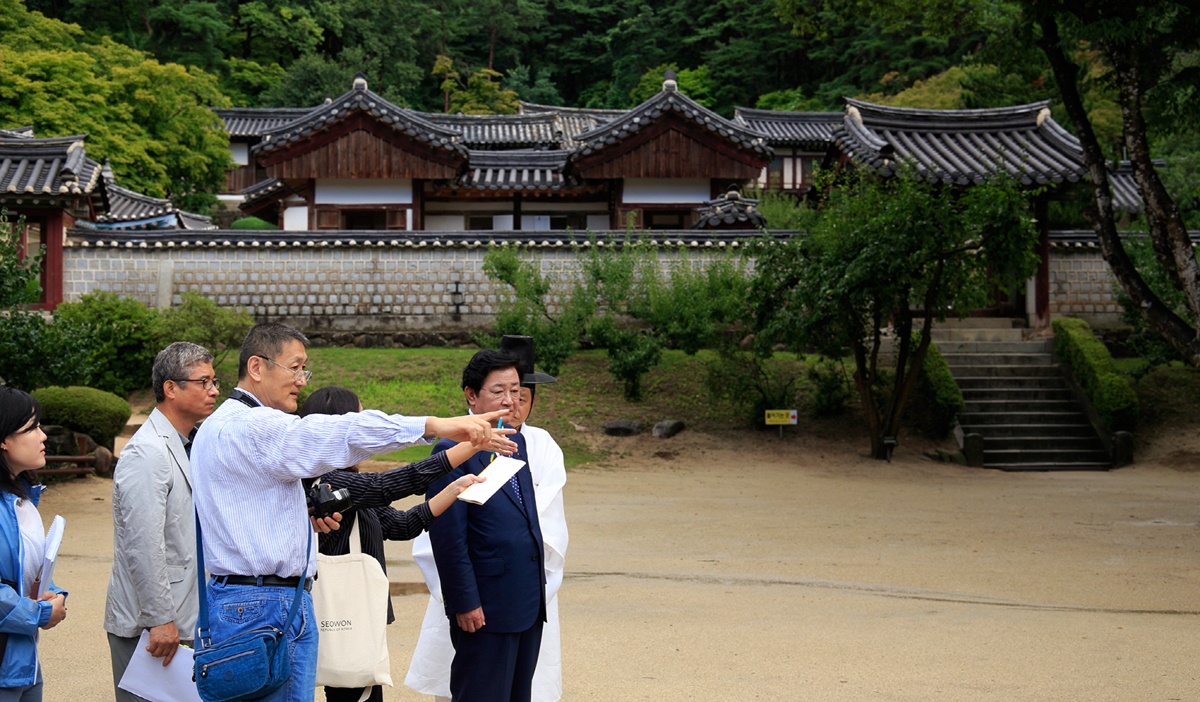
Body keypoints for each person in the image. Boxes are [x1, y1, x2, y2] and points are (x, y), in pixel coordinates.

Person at [189, 323, 514, 702]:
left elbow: (250, 506)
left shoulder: (217, 426)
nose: (301, 380)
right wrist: (433, 426)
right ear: (258, 367)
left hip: (238, 598)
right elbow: (340, 436)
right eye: (295, 368)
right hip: (266, 605)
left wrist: (300, 516)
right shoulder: (257, 425)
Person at [297, 386, 490, 702]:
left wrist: (454, 489)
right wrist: (467, 447)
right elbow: (391, 484)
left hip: (358, 616)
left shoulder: (350, 485)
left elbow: (403, 525)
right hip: (345, 614)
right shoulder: (331, 484)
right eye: (360, 421)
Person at [407, 336, 568, 702]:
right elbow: (448, 534)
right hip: (485, 604)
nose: (510, 400)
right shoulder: (451, 451)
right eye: (499, 391)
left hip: (524, 602)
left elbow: (529, 519)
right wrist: (464, 600)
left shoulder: (520, 442)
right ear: (472, 396)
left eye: (515, 390)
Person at [103, 342, 219, 701]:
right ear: (171, 388)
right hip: (149, 625)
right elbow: (143, 543)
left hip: (181, 616)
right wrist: (159, 618)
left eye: (214, 381)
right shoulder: (147, 452)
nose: (214, 390)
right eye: (204, 381)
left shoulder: (190, 443)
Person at [0, 387, 68, 702]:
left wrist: (49, 592)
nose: (43, 437)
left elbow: (26, 568)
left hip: (22, 662)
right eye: (32, 428)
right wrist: (39, 613)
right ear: (3, 439)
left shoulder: (23, 498)